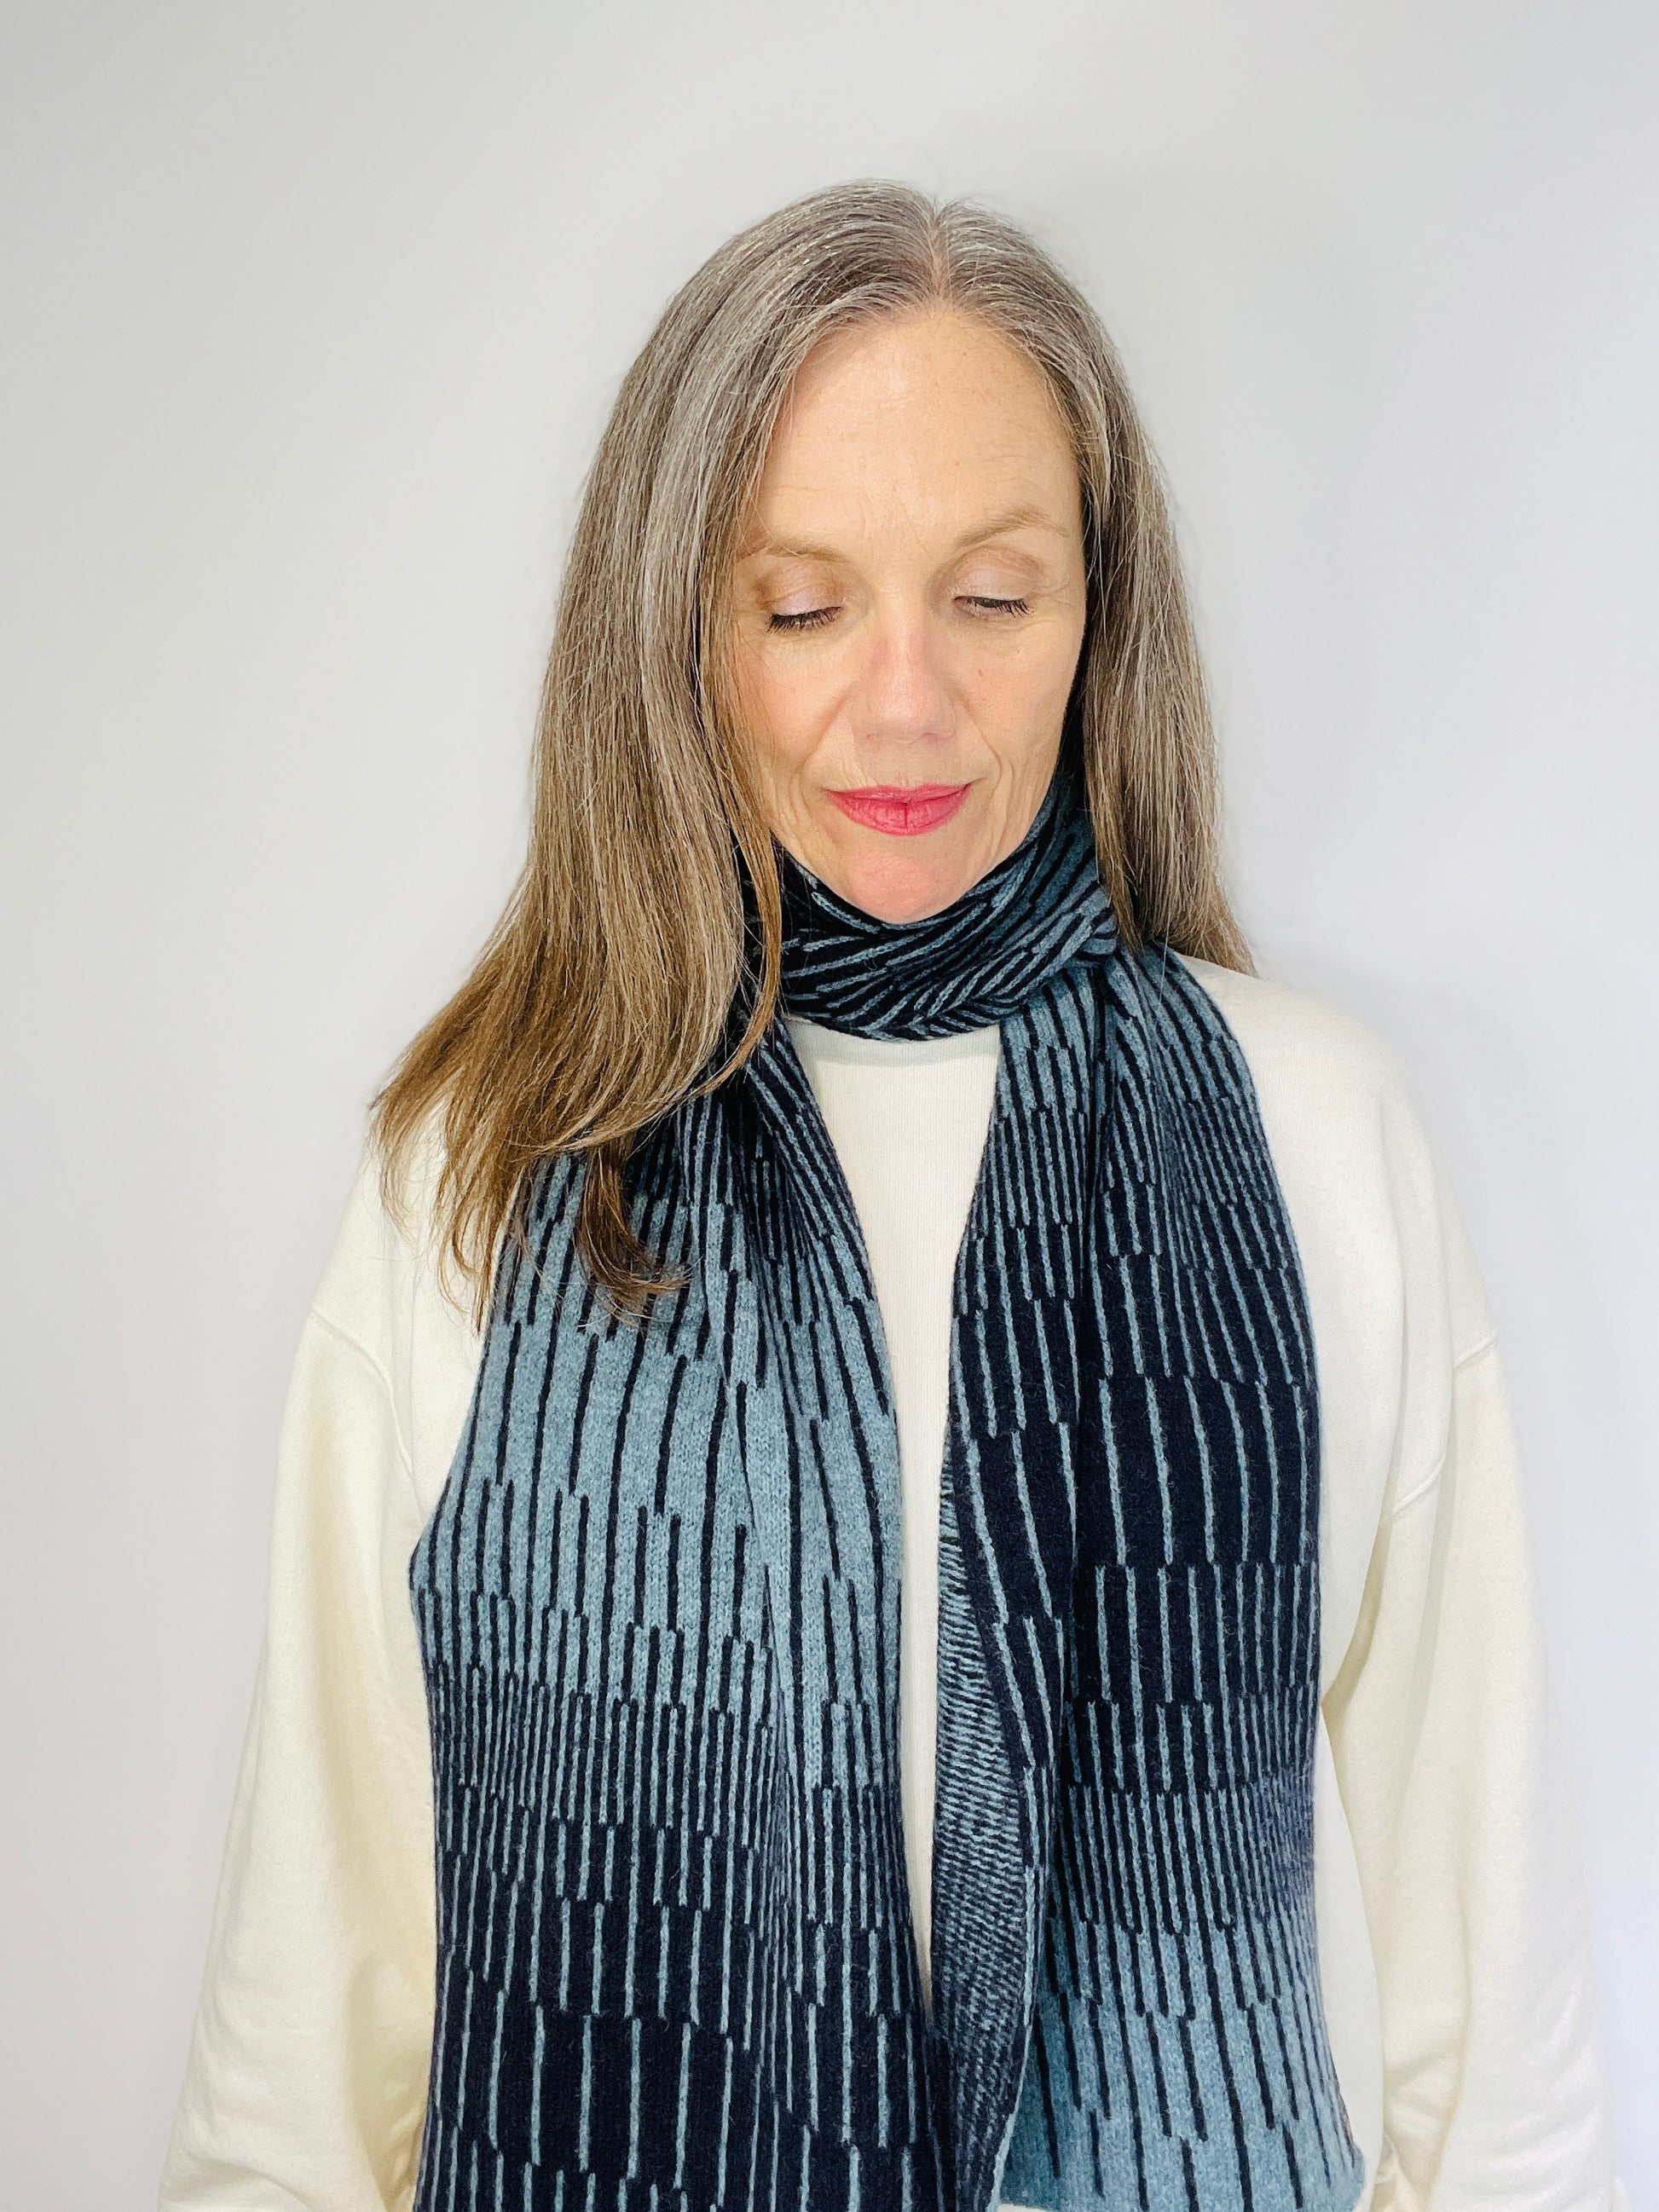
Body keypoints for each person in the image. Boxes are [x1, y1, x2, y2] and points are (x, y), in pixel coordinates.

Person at [159, 182, 1627, 2212]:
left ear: (1101, 610)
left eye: (993, 595)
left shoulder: (1314, 1137)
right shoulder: (481, 1174)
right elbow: (307, 2034)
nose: (909, 703)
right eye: (801, 605)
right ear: (676, 627)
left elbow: (1502, 2024)